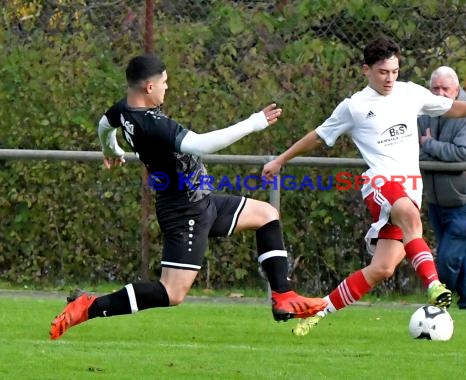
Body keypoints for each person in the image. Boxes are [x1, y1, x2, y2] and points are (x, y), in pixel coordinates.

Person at [49, 54, 327, 340]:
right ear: (148, 87)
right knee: (172, 292)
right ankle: (89, 306)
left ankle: (283, 297)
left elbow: (104, 125)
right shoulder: (152, 124)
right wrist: (254, 122)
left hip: (201, 201)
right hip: (184, 212)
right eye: (164, 83)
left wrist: (111, 150)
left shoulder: (124, 110)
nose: (167, 88)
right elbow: (200, 144)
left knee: (267, 214)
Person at [262, 35, 466, 336]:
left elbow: (449, 108)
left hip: (410, 186)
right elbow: (318, 135)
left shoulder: (410, 93)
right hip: (380, 182)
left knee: (383, 269)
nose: (390, 78)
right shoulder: (354, 106)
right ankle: (434, 285)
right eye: (382, 72)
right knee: (409, 216)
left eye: (394, 71)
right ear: (366, 70)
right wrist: (280, 160)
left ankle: (318, 310)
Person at [418, 66, 466, 310]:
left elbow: (463, 156)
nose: (440, 93)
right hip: (437, 199)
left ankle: (438, 305)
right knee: (459, 255)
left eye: (445, 89)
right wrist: (433, 152)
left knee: (448, 256)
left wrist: (429, 145)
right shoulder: (423, 112)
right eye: (435, 88)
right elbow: (410, 150)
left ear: (456, 90)